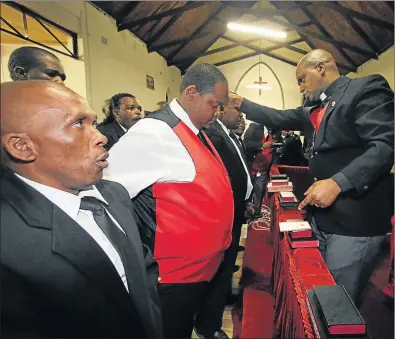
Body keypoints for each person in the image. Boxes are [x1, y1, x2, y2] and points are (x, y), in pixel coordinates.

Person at [230, 49, 394, 304]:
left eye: (301, 79)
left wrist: (339, 182)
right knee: (319, 288)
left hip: (354, 220)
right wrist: (241, 103)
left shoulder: (365, 88)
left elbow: (384, 147)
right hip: (323, 217)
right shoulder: (314, 109)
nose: (301, 87)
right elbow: (278, 116)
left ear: (321, 67)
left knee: (337, 302)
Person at [0, 81, 162, 338]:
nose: (101, 137)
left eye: (93, 123)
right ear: (22, 146)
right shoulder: (8, 246)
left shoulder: (114, 193)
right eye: (77, 124)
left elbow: (143, 268)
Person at [104, 63, 234, 338]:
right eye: (214, 104)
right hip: (172, 275)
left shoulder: (193, 129)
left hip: (197, 272)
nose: (217, 112)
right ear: (191, 93)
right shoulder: (154, 132)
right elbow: (108, 192)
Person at [196, 104, 253, 339]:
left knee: (227, 266)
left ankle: (223, 297)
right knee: (219, 270)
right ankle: (208, 326)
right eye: (235, 110)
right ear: (219, 110)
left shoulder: (227, 134)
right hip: (223, 214)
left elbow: (239, 171)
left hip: (235, 210)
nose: (240, 115)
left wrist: (247, 198)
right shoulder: (213, 136)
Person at [244, 123, 274, 217]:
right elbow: (247, 144)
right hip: (251, 166)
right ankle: (247, 212)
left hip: (264, 169)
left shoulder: (276, 130)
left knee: (259, 191)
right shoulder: (254, 127)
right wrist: (262, 145)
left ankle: (256, 214)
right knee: (248, 191)